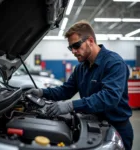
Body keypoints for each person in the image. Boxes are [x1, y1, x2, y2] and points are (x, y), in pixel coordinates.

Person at [27, 20, 133, 150]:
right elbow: (65, 90)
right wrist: (42, 92)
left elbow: (109, 97)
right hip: (92, 125)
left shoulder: (114, 63)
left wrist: (71, 105)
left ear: (90, 41)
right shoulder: (80, 69)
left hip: (116, 130)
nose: (73, 51)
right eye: (70, 47)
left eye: (76, 46)